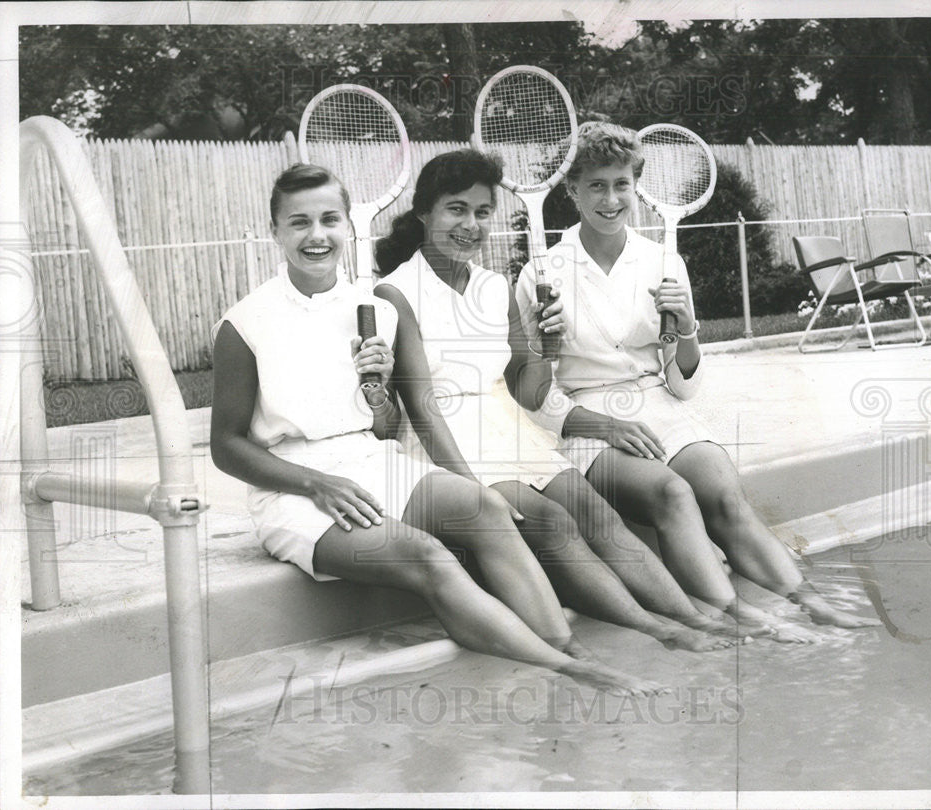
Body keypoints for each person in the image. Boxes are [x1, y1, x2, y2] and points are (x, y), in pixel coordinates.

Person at [210, 162, 664, 695]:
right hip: (293, 488)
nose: (317, 236)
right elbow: (226, 446)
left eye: (330, 219)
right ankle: (575, 670)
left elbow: (383, 429)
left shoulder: (370, 307)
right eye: (299, 223)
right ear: (276, 231)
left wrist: (377, 392)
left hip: (366, 463)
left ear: (347, 228)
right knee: (429, 555)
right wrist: (316, 484)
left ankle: (570, 647)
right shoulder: (244, 322)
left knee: (487, 508)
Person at [515, 122, 879, 632]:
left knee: (726, 494)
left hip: (658, 403)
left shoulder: (662, 262)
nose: (611, 198)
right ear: (571, 190)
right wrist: (592, 414)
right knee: (673, 494)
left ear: (635, 187)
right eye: (596, 185)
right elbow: (532, 394)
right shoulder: (541, 272)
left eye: (622, 183)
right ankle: (742, 618)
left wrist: (686, 328)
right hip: (587, 418)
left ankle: (810, 600)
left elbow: (682, 383)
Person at [374, 149, 743, 651]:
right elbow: (420, 406)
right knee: (551, 523)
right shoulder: (394, 292)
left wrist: (547, 348)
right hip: (443, 439)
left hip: (507, 426)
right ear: (424, 213)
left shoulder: (493, 286)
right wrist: (469, 491)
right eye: (455, 209)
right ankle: (657, 628)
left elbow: (528, 389)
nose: (471, 224)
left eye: (483, 212)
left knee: (597, 514)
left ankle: (692, 617)